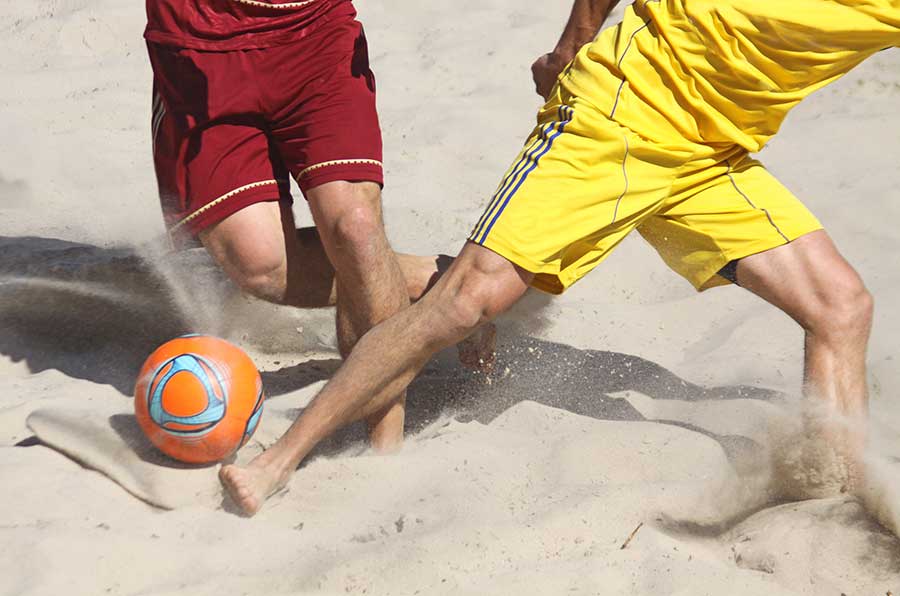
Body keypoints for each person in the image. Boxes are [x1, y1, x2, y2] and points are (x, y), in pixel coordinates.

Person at [220, 0, 898, 515]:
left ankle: (828, 501)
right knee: (463, 304)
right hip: (618, 114)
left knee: (841, 306)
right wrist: (570, 47)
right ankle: (278, 460)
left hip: (712, 154)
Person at [144, 0, 450, 452]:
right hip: (199, 45)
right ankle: (440, 282)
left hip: (313, 31)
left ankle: (385, 449)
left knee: (356, 226)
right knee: (259, 264)